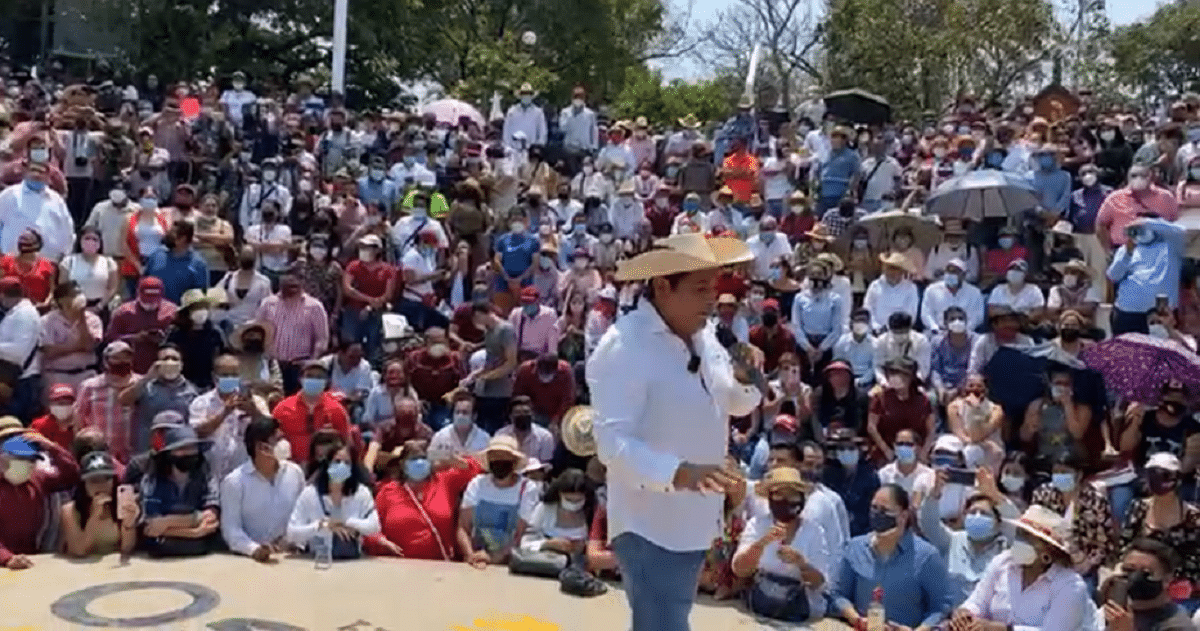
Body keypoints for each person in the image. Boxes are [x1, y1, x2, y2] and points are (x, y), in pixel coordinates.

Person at [587, 232, 763, 631]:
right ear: (664, 287)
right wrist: (678, 472)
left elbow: (737, 402)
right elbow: (612, 445)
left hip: (694, 519)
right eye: (700, 288)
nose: (711, 299)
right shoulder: (624, 345)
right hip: (649, 523)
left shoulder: (707, 337)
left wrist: (749, 375)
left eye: (714, 288)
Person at [834, 483, 953, 630]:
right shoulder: (854, 547)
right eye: (874, 508)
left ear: (903, 516)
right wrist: (856, 619)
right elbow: (839, 595)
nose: (877, 514)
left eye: (884, 510)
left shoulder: (926, 556)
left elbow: (941, 607)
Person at [952, 505, 1089, 631]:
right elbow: (978, 601)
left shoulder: (1070, 585)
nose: (1019, 541)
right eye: (1019, 534)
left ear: (1048, 550)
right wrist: (965, 613)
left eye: (1027, 537)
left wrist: (1002, 629)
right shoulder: (1003, 562)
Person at [732, 466, 831, 624]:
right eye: (779, 494)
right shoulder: (758, 524)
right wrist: (761, 544)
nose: (785, 500)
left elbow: (820, 583)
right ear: (770, 497)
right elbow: (739, 570)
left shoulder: (814, 531)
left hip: (800, 609)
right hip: (763, 603)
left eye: (792, 495)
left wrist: (802, 564)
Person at [365, 439, 482, 560]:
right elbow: (370, 528)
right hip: (400, 566)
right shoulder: (387, 491)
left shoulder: (445, 481)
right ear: (402, 464)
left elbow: (476, 470)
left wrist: (455, 461)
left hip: (441, 566)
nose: (419, 462)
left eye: (423, 458)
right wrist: (381, 541)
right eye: (413, 459)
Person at [219, 417, 305, 562]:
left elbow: (305, 515)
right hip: (251, 562)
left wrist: (296, 542)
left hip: (293, 557)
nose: (284, 444)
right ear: (262, 447)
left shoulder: (295, 472)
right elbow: (231, 529)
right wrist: (255, 549)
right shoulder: (234, 482)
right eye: (277, 440)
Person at [136, 424, 221, 557]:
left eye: (192, 448)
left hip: (201, 554)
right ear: (169, 454)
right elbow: (150, 527)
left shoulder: (206, 477)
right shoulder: (152, 480)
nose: (188, 453)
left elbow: (210, 519)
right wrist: (196, 530)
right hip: (160, 555)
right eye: (182, 448)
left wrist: (166, 522)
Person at [286, 437, 379, 557]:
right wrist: (323, 526)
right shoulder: (309, 494)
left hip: (353, 561)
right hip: (316, 559)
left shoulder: (361, 492)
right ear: (328, 464)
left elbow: (375, 526)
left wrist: (346, 522)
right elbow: (291, 532)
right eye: (337, 461)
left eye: (347, 463)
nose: (341, 466)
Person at [0, 432, 80, 569]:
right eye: (23, 459)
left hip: (31, 561)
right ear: (4, 460)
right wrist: (7, 558)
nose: (30, 464)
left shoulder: (36, 480)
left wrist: (51, 447)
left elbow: (71, 474)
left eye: (32, 460)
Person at [457, 435, 536, 568]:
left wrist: (493, 558)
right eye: (495, 458)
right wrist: (470, 555)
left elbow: (520, 535)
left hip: (512, 564)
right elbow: (463, 527)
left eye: (504, 458)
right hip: (477, 562)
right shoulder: (477, 484)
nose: (499, 461)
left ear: (514, 462)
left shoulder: (527, 488)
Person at [1107, 216, 1185, 336]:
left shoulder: (1171, 246)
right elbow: (1113, 276)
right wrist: (1128, 254)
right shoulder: (1126, 248)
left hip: (1160, 314)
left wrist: (1146, 222)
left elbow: (1180, 231)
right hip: (1127, 312)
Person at [1103, 539, 1199, 631]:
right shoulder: (1116, 612)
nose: (1135, 577)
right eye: (1129, 569)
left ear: (1167, 579)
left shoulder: (1177, 625)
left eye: (1146, 572)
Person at [60, 450, 138, 557]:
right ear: (84, 484)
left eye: (106, 479)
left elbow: (127, 548)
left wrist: (129, 523)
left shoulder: (122, 504)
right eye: (94, 480)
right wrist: (95, 516)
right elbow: (78, 550)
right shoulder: (69, 510)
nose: (101, 485)